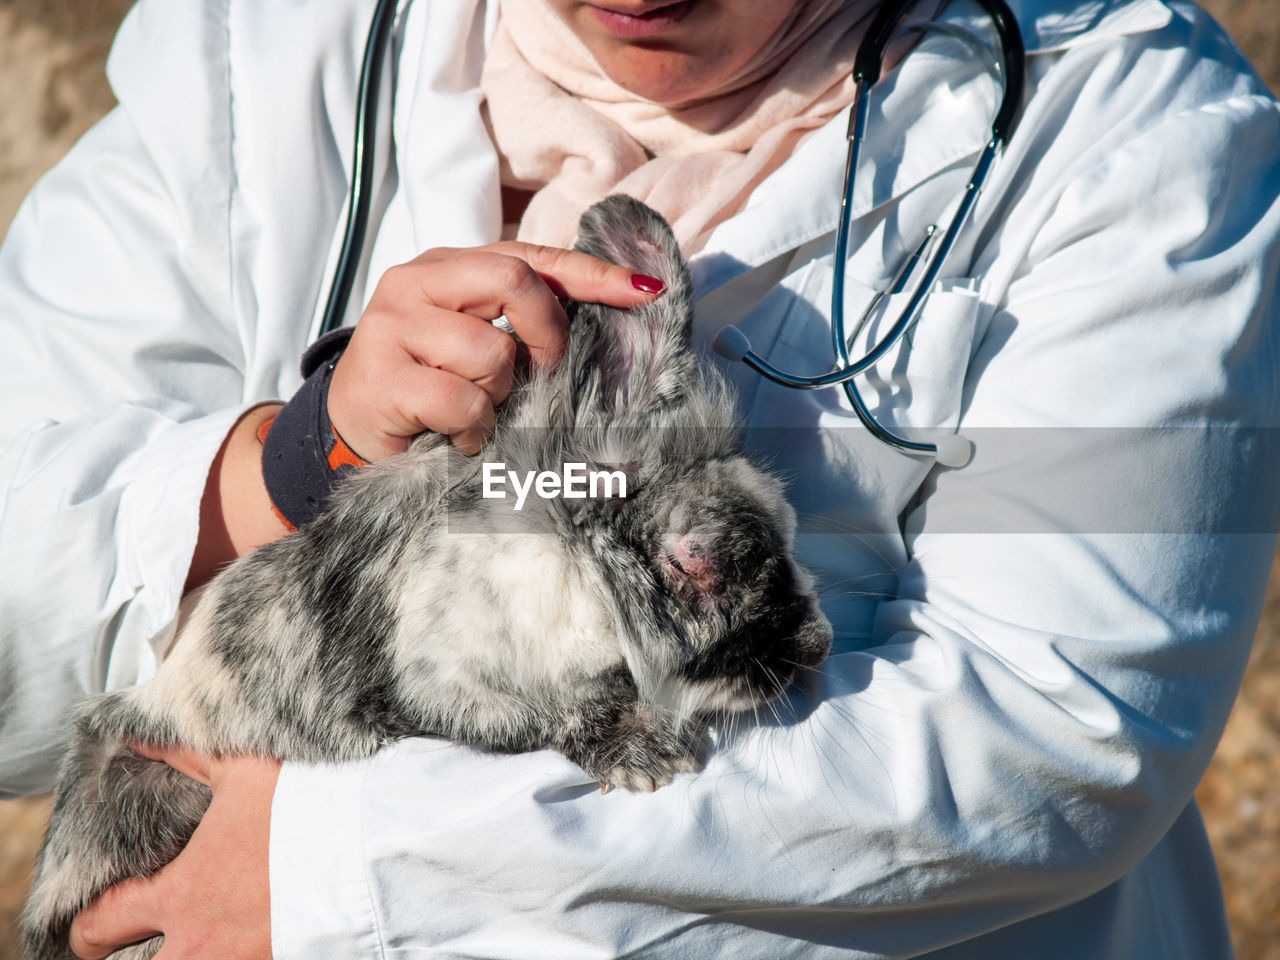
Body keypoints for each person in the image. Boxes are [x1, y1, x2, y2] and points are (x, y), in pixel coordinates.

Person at [2, 0, 1279, 956]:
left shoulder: (1122, 129)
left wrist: (339, 881)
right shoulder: (268, 46)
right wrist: (289, 465)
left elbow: (1059, 728)